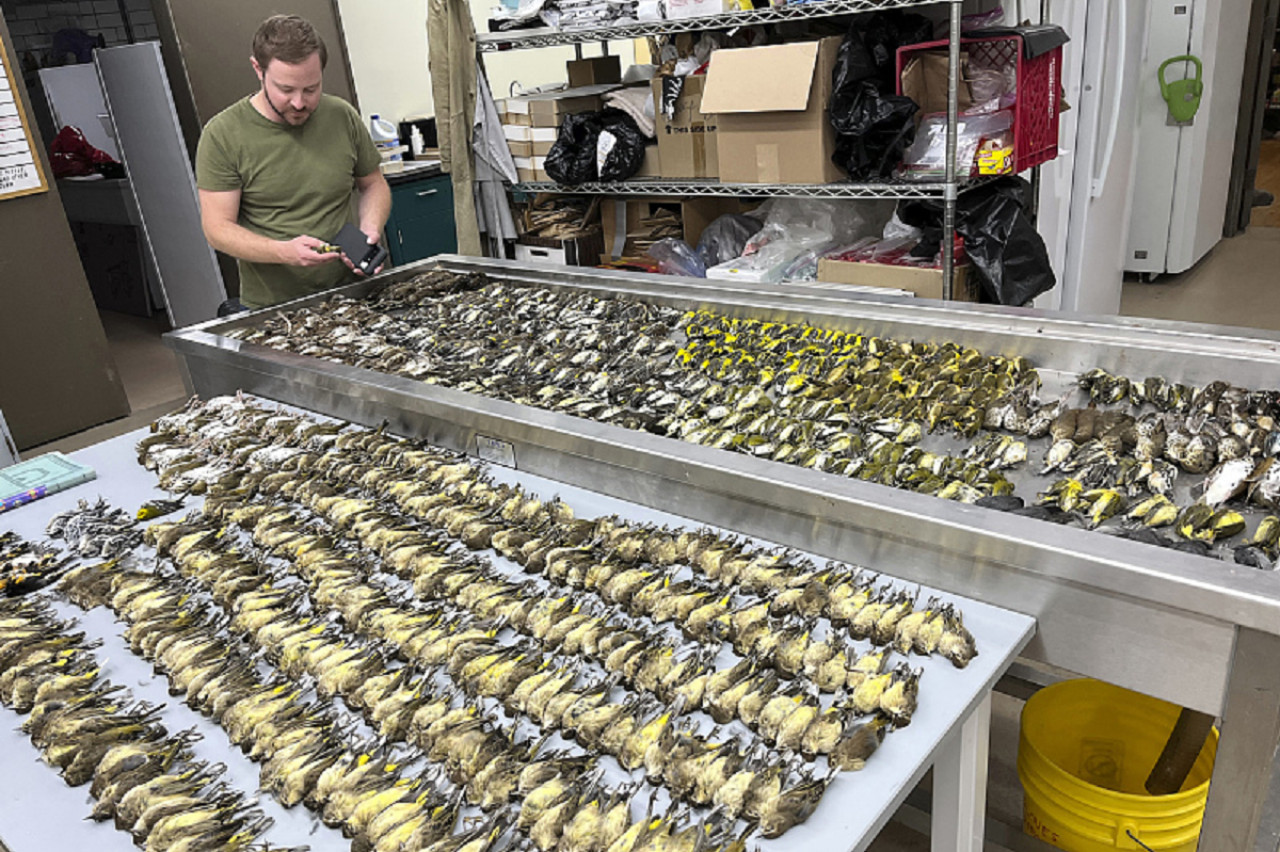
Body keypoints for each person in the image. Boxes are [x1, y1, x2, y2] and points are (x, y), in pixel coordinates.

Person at [196, 14, 391, 310]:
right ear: (257, 70)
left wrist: (369, 230)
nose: (300, 103)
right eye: (286, 89)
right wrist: (282, 252)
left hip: (355, 293)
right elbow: (217, 228)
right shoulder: (222, 135)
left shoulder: (342, 116)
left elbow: (374, 184)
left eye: (311, 89)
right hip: (275, 306)